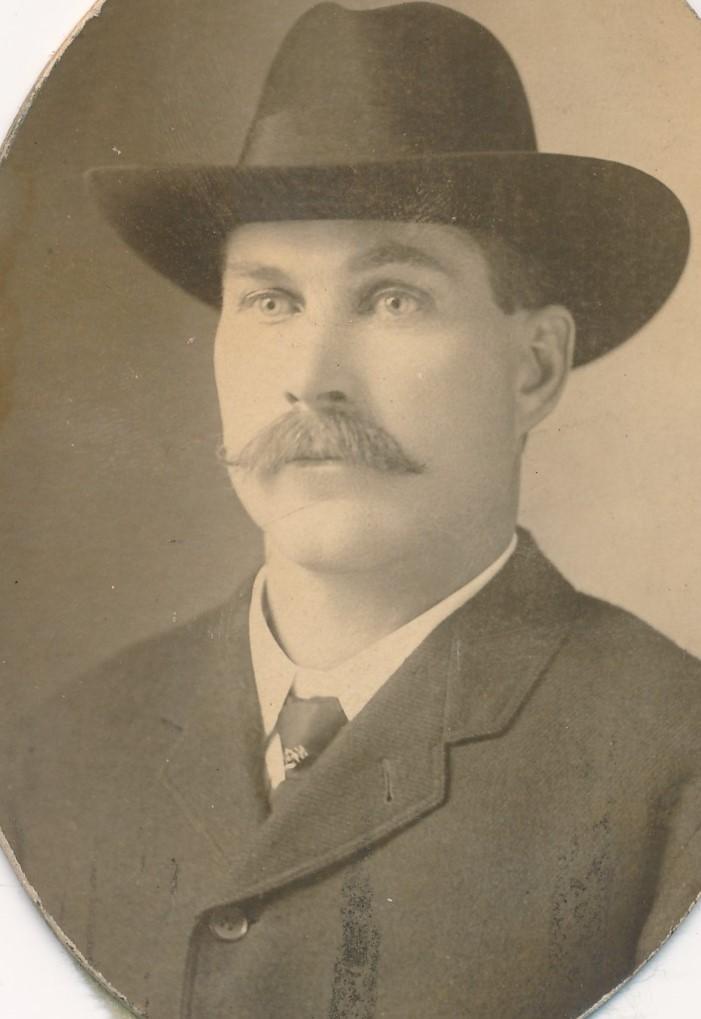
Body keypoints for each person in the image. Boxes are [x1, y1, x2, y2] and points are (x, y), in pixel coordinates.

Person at [2, 3, 700, 1018]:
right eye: (270, 301)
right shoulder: (57, 753)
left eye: (391, 298)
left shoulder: (671, 766)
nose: (311, 376)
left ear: (534, 366)